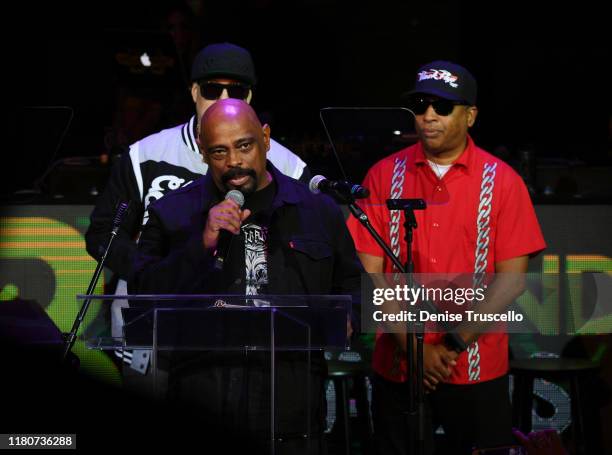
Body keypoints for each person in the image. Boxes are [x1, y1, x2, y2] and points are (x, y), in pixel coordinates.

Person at [128, 98, 362, 453]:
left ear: (266, 139)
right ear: (203, 154)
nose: (234, 162)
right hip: (202, 400)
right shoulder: (172, 213)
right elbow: (141, 297)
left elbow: (354, 287)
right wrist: (199, 246)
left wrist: (348, 317)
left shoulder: (318, 211)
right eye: (219, 151)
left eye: (244, 146)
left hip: (292, 414)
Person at [346, 61, 546, 454]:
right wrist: (416, 349)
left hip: (475, 366)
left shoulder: (503, 181)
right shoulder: (383, 176)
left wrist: (450, 346)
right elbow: (369, 276)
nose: (428, 116)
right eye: (420, 105)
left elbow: (511, 281)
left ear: (470, 115)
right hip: (398, 367)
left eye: (442, 106)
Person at [85, 42, 311, 372]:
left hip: (250, 339)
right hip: (155, 332)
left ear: (248, 97)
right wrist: (152, 274)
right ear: (194, 92)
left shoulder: (287, 166)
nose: (222, 100)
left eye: (235, 91)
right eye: (211, 89)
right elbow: (102, 235)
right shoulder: (145, 156)